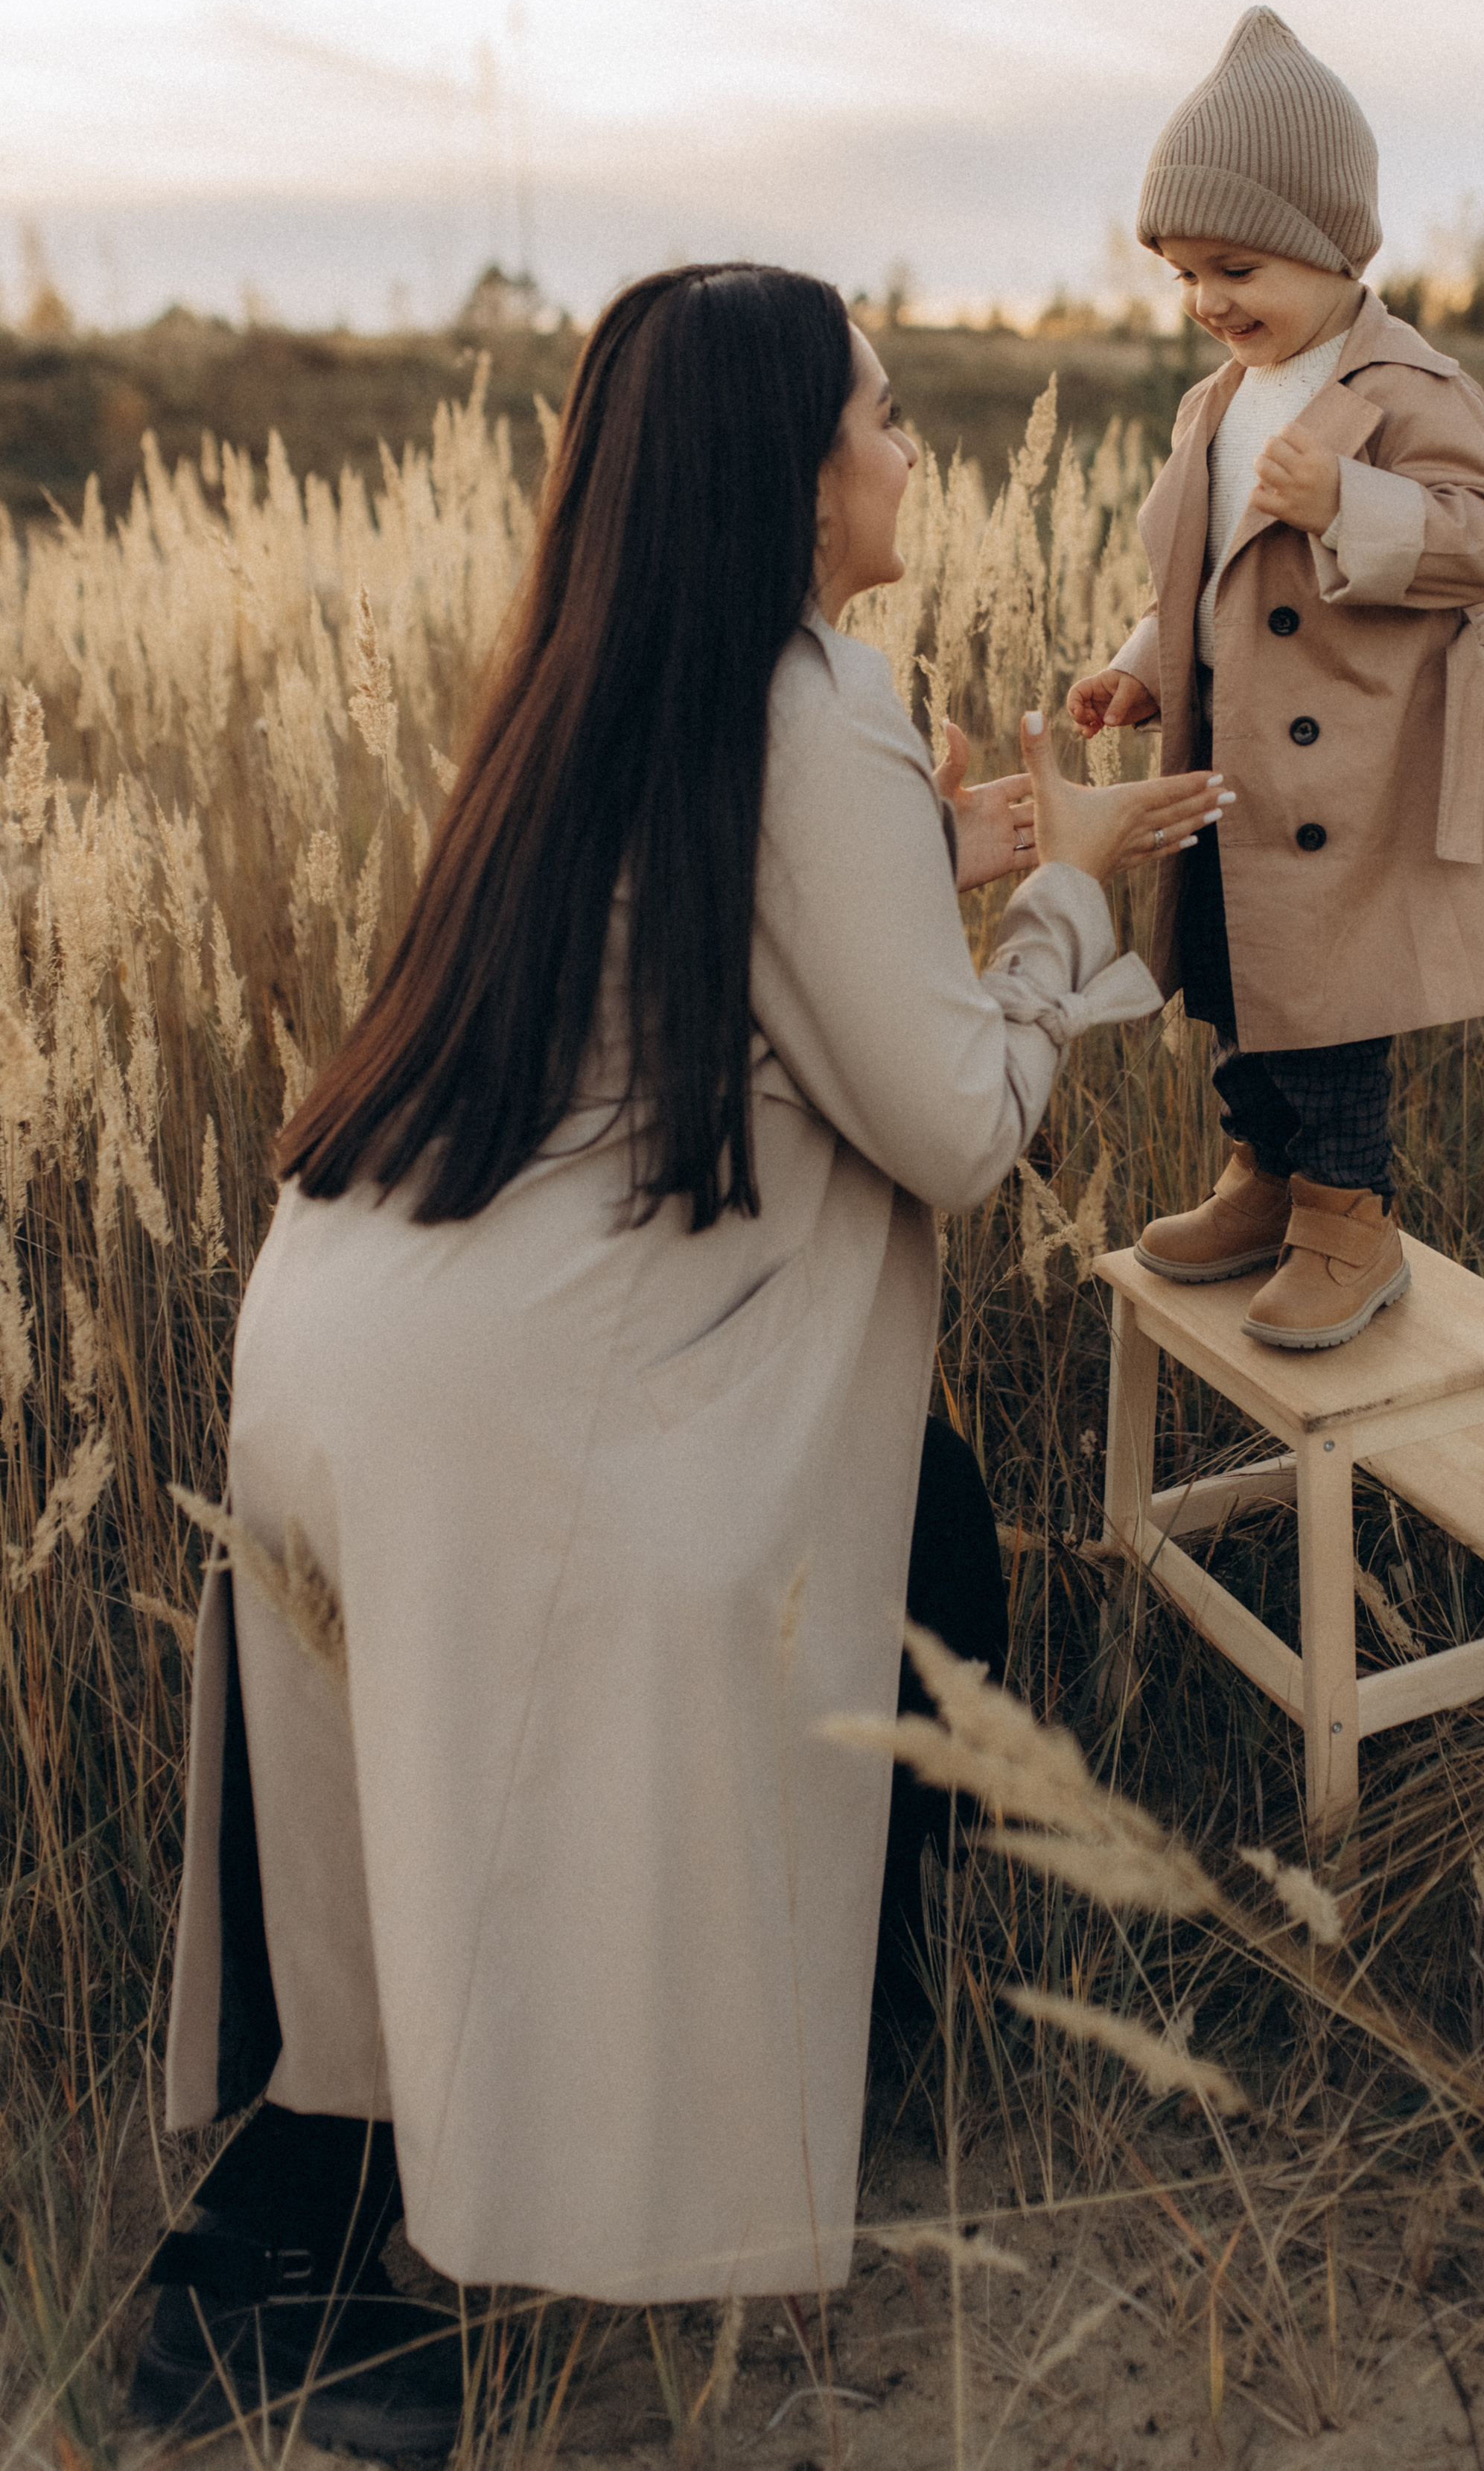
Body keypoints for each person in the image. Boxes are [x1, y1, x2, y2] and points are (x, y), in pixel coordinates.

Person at [133, 264, 1227, 2452]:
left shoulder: (602, 672)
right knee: (687, 1672)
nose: (908, 449)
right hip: (522, 1387)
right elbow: (955, 1126)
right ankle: (293, 2277)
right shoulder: (816, 698)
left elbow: (731, 925)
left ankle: (733, 2075)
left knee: (898, 1558)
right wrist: (1065, 906)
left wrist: (954, 848)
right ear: (793, 480)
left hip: (348, 1324)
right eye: (882, 416)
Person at [1067, 7, 1484, 1351]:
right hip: (1233, 760)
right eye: (1183, 275)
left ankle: (1348, 1219)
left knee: (1329, 1008)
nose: (1209, 302)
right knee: (1235, 980)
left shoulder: (1408, 384)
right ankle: (1265, 1178)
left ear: (1337, 248)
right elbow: (1206, 577)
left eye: (1238, 266)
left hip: (1352, 772)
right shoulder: (1217, 403)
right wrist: (1141, 669)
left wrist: (1349, 500)